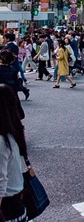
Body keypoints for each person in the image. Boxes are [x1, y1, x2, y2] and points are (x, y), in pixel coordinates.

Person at [0, 84, 29, 222]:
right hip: (16, 203)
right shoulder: (13, 132)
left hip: (7, 208)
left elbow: (1, 181)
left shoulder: (2, 140)